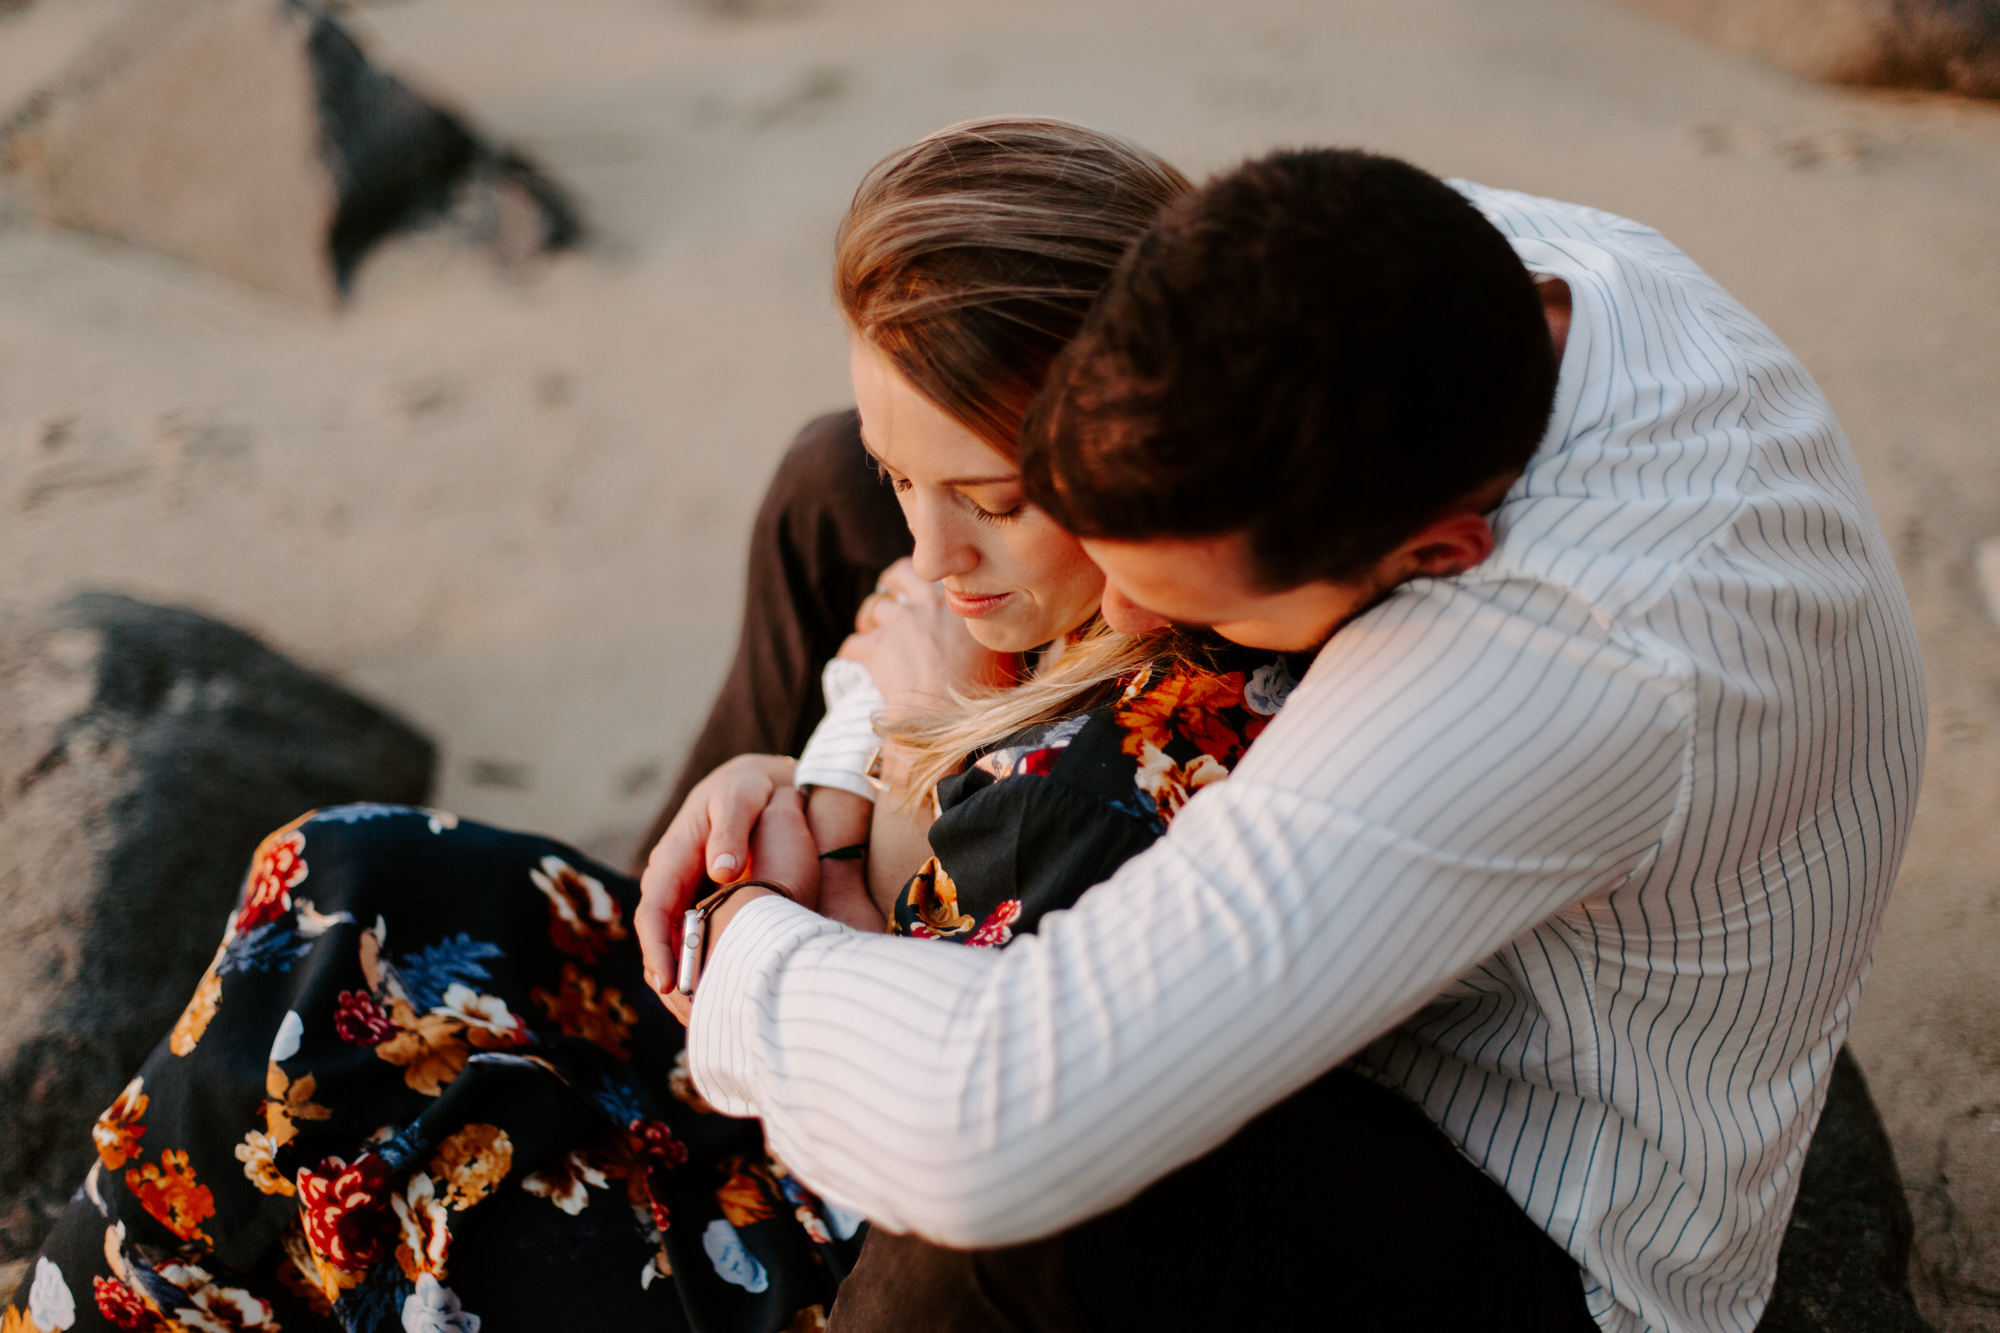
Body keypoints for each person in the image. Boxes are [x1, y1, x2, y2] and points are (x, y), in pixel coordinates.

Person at [639, 149, 1927, 1333]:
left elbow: (997, 1120)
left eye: (1194, 601)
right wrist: (833, 772)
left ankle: (706, 1048)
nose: (1128, 616)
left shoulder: (1537, 671)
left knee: (998, 1233)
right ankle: (645, 1006)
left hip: (1518, 1188)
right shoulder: (1444, 266)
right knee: (830, 480)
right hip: (1457, 909)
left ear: (1430, 558)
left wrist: (749, 922)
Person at [0, 119, 1233, 1333]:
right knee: (338, 880)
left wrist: (877, 791)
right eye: (902, 476)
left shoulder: (1115, 778)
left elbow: (897, 1123)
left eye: (991, 500)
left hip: (804, 1226)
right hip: (758, 1045)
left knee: (355, 1129)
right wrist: (810, 773)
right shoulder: (1048, 592)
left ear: (1141, 441)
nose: (928, 546)